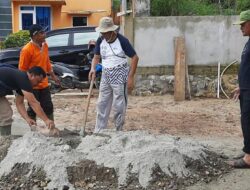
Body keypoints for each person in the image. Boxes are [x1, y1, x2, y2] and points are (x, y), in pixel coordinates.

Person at [89, 17, 139, 133]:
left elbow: (135, 57)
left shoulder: (122, 41)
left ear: (112, 31)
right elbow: (96, 57)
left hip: (120, 74)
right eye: (102, 32)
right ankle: (99, 130)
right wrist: (93, 69)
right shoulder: (100, 40)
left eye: (105, 32)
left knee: (119, 104)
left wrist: (131, 77)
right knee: (102, 103)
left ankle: (118, 129)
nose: (103, 34)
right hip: (106, 74)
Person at [19, 24, 60, 121]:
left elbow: (47, 62)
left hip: (44, 83)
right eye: (42, 33)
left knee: (48, 106)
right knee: (33, 108)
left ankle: (51, 128)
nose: (45, 34)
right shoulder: (26, 50)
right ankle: (33, 130)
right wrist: (24, 86)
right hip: (32, 85)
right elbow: (22, 70)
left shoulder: (45, 45)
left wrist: (53, 76)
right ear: (35, 36)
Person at [0, 66, 55, 135]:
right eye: (37, 81)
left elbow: (19, 103)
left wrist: (27, 118)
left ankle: (4, 138)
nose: (37, 84)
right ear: (32, 75)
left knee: (5, 113)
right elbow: (33, 103)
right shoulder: (24, 79)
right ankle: (5, 140)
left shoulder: (21, 81)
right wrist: (46, 120)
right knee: (5, 114)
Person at [231, 10, 250, 168]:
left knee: (248, 122)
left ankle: (249, 159)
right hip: (246, 90)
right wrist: (241, 87)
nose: (241, 28)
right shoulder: (249, 42)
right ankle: (248, 151)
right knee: (246, 121)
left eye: (243, 24)